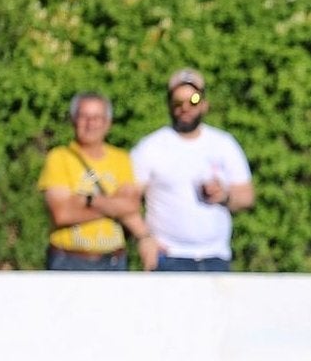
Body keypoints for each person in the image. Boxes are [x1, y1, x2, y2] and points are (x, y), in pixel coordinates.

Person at [131, 69, 255, 271]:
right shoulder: (151, 147)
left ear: (204, 104)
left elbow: (247, 196)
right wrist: (144, 237)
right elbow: (128, 200)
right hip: (168, 257)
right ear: (169, 105)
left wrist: (224, 195)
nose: (185, 108)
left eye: (193, 100)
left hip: (216, 257)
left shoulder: (223, 143)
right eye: (177, 102)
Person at [37, 92, 155, 270]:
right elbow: (61, 214)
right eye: (84, 116)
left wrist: (89, 201)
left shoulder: (121, 159)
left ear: (107, 123)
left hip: (113, 260)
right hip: (69, 258)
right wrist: (114, 206)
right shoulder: (59, 158)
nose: (90, 123)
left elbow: (131, 205)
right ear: (74, 120)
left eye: (97, 117)